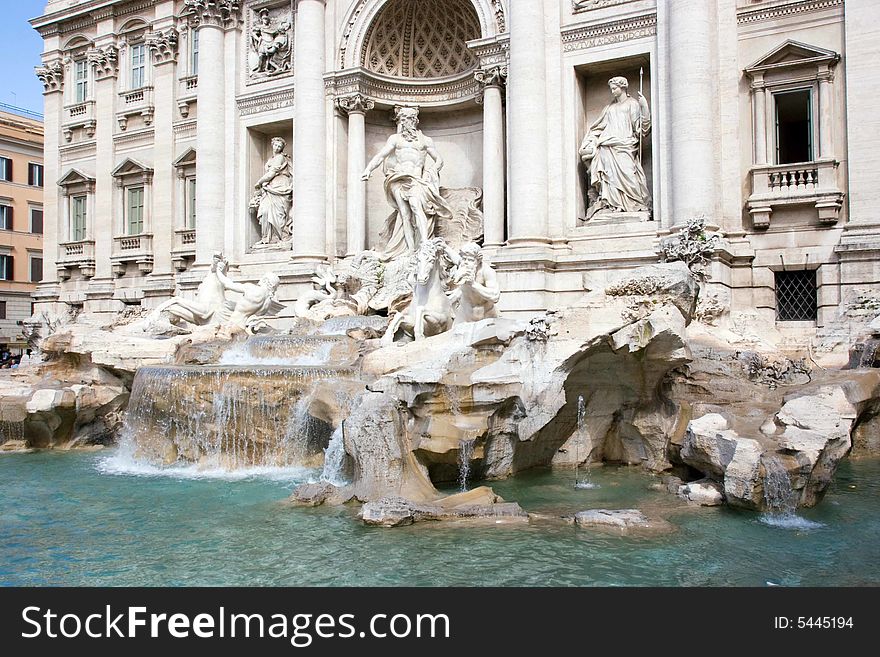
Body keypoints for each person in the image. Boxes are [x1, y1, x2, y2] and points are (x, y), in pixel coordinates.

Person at [362, 106, 453, 261]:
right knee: (404, 213)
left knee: (416, 206)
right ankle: (411, 250)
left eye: (408, 119)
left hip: (416, 179)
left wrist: (431, 172)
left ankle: (425, 244)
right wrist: (368, 169)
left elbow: (439, 159)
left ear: (415, 120)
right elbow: (380, 155)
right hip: (397, 178)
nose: (405, 122)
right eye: (403, 119)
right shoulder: (395, 139)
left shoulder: (425, 140)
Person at [579, 76, 651, 219]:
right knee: (609, 178)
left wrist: (644, 107)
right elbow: (597, 128)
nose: (612, 91)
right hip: (607, 147)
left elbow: (641, 129)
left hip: (625, 145)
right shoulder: (609, 108)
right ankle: (612, 205)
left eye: (614, 88)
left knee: (629, 174)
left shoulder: (633, 104)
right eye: (611, 89)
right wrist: (590, 143)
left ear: (623, 87)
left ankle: (633, 203)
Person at [251, 137, 293, 245]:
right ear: (272, 145)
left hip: (280, 186)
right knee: (265, 211)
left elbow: (271, 174)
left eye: (280, 146)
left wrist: (259, 182)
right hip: (270, 188)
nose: (277, 148)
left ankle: (279, 237)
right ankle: (266, 238)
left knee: (279, 214)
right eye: (276, 145)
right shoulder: (270, 160)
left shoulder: (280, 158)